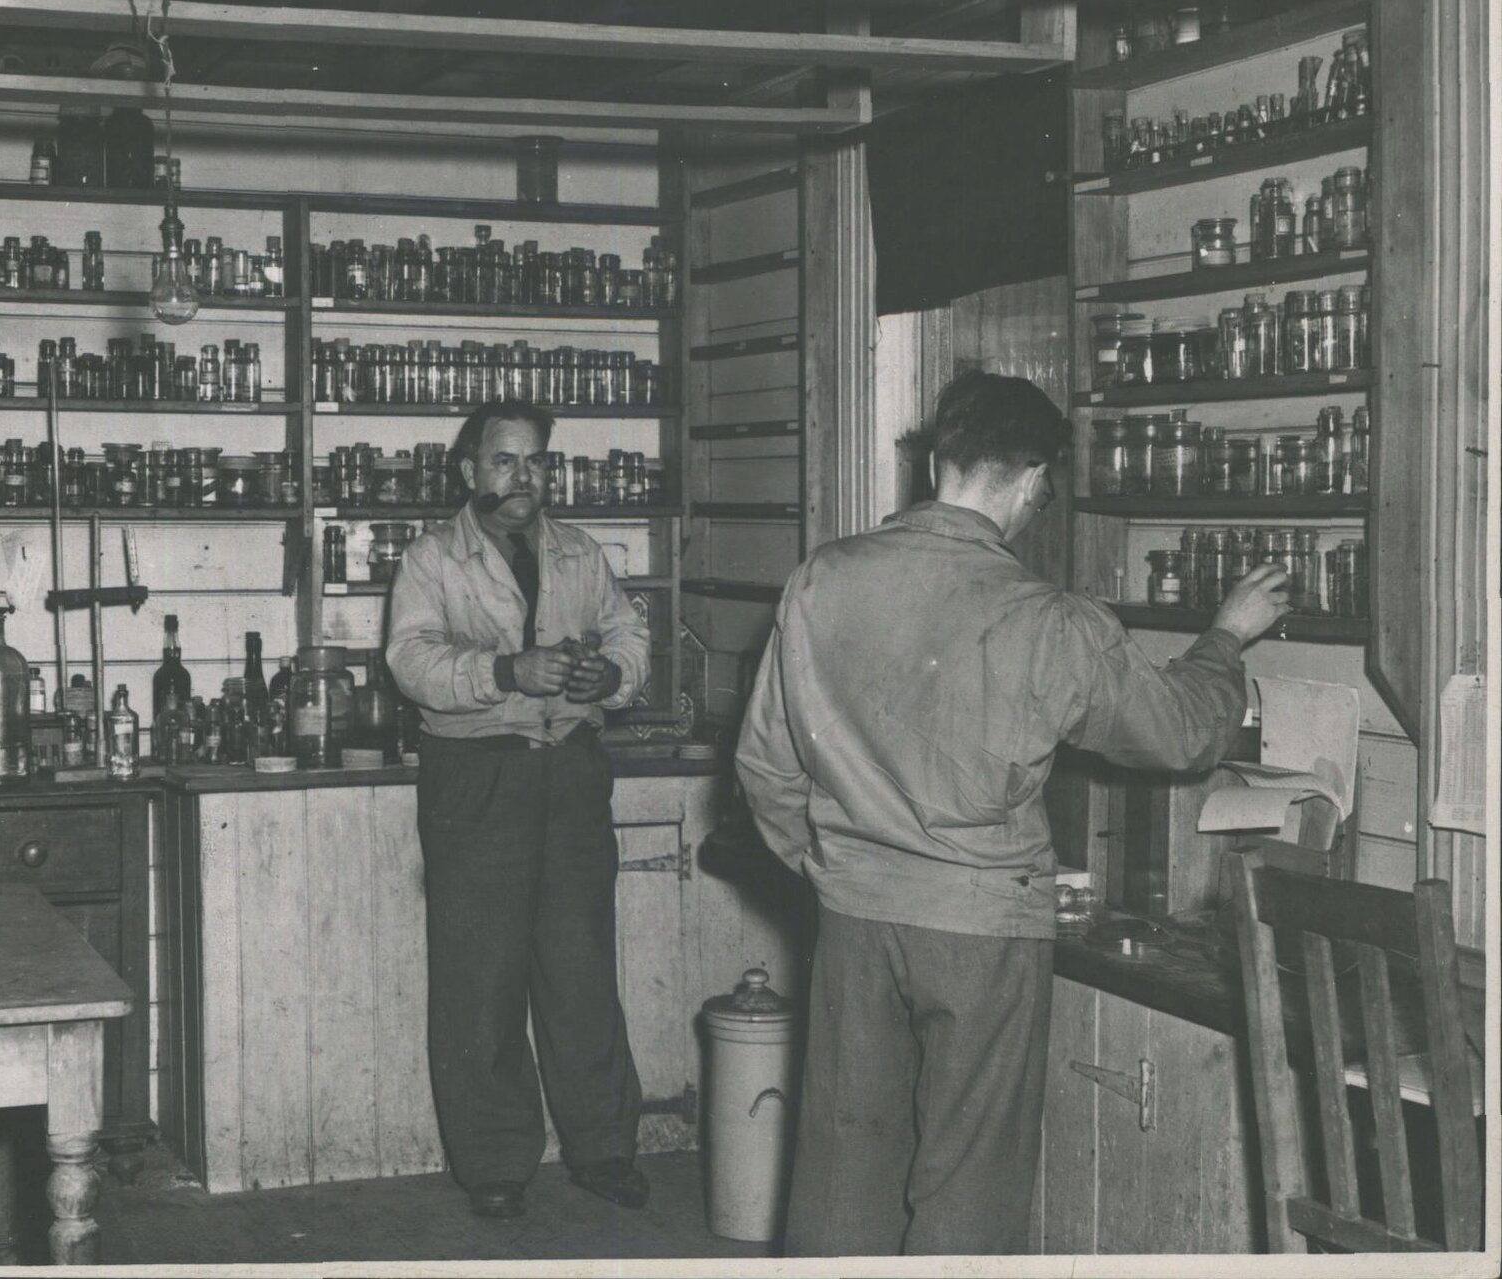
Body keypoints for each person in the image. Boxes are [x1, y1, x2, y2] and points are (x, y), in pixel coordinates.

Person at [734, 372, 1289, 1256]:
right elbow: (1181, 734)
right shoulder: (1047, 619)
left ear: (937, 463)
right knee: (968, 1179)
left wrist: (836, 865)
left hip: (853, 917)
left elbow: (764, 764)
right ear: (1033, 480)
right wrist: (1225, 636)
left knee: (842, 1166)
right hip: (981, 931)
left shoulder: (820, 578)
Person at [386, 399, 654, 1221]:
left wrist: (609, 675)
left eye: (536, 460)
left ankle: (602, 1146)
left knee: (581, 967)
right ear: (468, 469)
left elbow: (629, 635)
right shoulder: (431, 558)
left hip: (569, 772)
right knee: (481, 977)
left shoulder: (579, 552)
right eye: (503, 460)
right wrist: (505, 672)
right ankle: (496, 1160)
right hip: (477, 774)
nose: (522, 477)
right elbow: (410, 660)